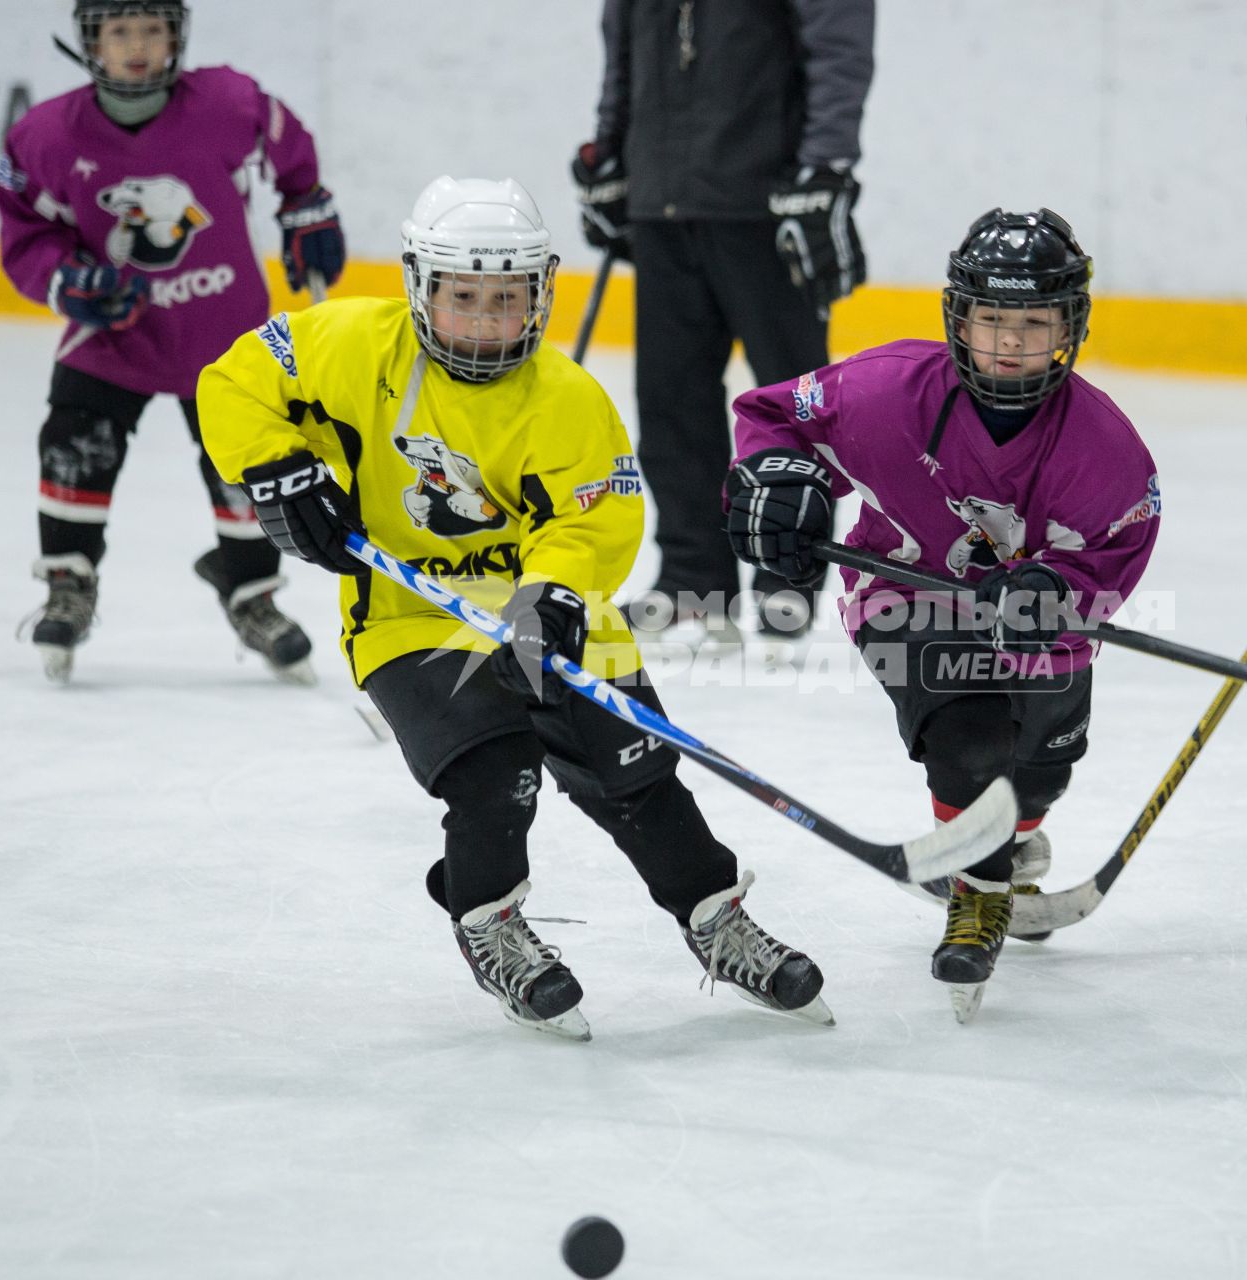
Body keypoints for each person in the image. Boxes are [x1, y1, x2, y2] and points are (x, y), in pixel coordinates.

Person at [195, 176, 829, 1041]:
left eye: (509, 298)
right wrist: (275, 466)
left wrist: (557, 589)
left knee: (639, 776)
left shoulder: (565, 396)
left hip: (550, 607)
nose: (489, 320)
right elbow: (232, 380)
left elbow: (594, 516)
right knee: (499, 779)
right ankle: (488, 922)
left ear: (542, 293)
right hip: (409, 615)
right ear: (420, 286)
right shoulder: (350, 343)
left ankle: (716, 917)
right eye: (465, 298)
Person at [724, 208, 1160, 1019]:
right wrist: (783, 483)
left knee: (1044, 766)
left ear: (1070, 326)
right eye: (991, 319)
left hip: (1037, 622)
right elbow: (775, 417)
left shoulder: (1105, 451)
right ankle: (978, 895)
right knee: (969, 743)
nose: (1008, 343)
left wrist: (1057, 591)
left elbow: (1115, 545)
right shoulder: (885, 390)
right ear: (957, 317)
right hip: (904, 589)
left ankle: (1005, 834)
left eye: (1033, 323)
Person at [0, 1, 346, 683]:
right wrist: (67, 281)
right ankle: (68, 582)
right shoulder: (47, 136)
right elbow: (26, 231)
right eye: (120, 30)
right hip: (113, 336)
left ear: (176, 36)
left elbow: (287, 139)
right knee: (75, 443)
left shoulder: (225, 102)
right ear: (91, 41)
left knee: (249, 463)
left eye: (152, 30)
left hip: (225, 334)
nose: (136, 46)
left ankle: (251, 591)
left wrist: (306, 203)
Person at [572, 0, 874, 646]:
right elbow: (620, 49)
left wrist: (825, 166)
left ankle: (787, 571)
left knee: (797, 401)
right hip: (662, 199)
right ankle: (691, 578)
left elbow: (839, 48)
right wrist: (611, 153)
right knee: (668, 398)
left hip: (769, 198)